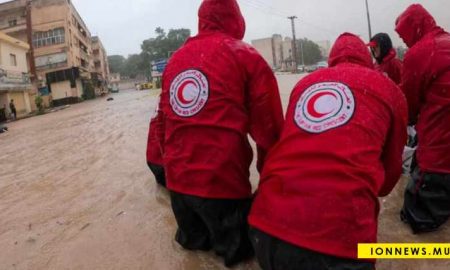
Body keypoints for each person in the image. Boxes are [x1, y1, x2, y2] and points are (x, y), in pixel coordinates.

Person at [248, 33, 407, 270]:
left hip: (264, 228)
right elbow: (392, 169)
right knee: (421, 251)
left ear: (332, 58)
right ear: (365, 57)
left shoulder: (304, 84)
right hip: (339, 244)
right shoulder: (389, 90)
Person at [147, 0, 284, 266]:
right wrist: (269, 186)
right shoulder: (245, 56)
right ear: (236, 20)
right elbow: (271, 134)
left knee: (193, 255)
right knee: (239, 258)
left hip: (178, 191)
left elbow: (161, 127)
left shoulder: (175, 61)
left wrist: (175, 170)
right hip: (223, 188)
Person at [395, 4, 450, 234]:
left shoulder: (419, 53)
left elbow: (409, 105)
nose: (405, 41)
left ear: (413, 28)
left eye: (404, 35)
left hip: (439, 156)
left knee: (417, 220)